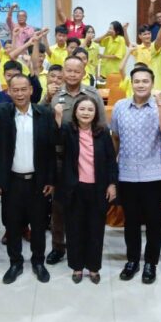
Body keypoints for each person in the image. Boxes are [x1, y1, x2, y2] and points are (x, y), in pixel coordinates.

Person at [0, 73, 56, 284]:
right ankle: (15, 263)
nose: (20, 94)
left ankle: (38, 262)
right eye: (15, 90)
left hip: (38, 182)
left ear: (31, 90)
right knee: (12, 225)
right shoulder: (3, 111)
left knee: (39, 225)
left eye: (24, 89)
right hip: (12, 182)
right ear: (9, 92)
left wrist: (51, 180)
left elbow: (50, 150)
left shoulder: (44, 113)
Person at [110, 67, 161, 284]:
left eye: (145, 81)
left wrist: (160, 104)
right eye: (137, 81)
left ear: (152, 83)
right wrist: (112, 168)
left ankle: (150, 263)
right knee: (131, 220)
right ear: (131, 83)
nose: (140, 85)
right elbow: (115, 137)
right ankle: (132, 260)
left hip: (152, 173)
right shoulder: (120, 106)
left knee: (154, 220)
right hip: (126, 172)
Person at [46, 56, 106, 264]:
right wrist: (47, 97)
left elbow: (102, 127)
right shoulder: (55, 94)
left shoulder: (92, 94)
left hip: (86, 159)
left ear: (83, 72)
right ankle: (58, 246)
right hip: (60, 158)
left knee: (85, 205)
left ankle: (84, 246)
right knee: (59, 206)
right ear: (63, 71)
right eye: (68, 70)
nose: (72, 74)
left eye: (76, 71)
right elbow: (44, 122)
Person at [55, 94, 117, 284]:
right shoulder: (68, 130)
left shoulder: (103, 133)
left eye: (90, 109)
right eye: (82, 109)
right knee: (74, 229)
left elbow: (111, 159)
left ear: (96, 113)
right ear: (75, 112)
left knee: (95, 229)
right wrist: (58, 118)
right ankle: (77, 266)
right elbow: (54, 140)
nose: (86, 113)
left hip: (98, 188)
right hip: (74, 188)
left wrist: (112, 183)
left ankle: (94, 267)